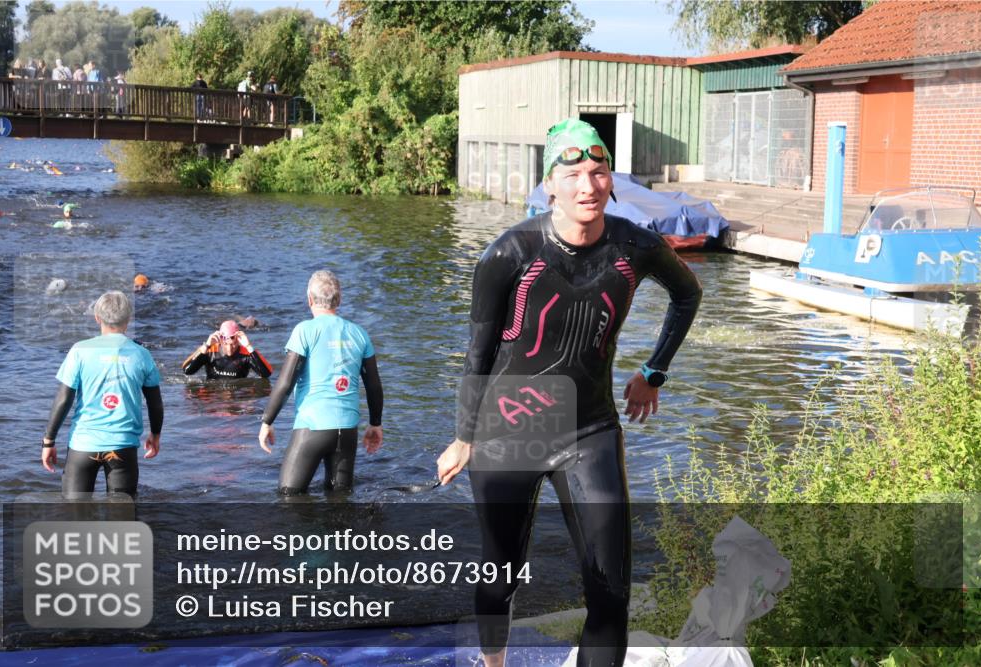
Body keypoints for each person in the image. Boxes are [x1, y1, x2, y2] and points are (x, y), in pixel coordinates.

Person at [435, 118, 702, 667]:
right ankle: (494, 663)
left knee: (611, 591)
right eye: (573, 172)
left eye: (599, 171)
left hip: (591, 430)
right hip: (508, 433)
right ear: (549, 184)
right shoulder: (510, 253)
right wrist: (464, 438)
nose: (588, 184)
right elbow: (478, 351)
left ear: (611, 179)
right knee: (500, 575)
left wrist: (654, 373)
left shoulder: (636, 246)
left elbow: (687, 294)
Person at [258, 271, 383, 495]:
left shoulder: (305, 331)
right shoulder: (359, 333)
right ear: (339, 300)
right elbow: (373, 385)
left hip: (312, 428)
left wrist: (267, 421)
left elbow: (286, 382)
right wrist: (375, 424)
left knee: (289, 497)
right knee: (340, 501)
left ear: (309, 299)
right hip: (347, 431)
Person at [42, 291, 163, 497]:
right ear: (128, 319)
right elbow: (155, 403)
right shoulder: (142, 354)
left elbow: (63, 399)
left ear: (97, 318)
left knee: (74, 518)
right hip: (123, 446)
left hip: (83, 445)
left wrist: (49, 442)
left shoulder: (79, 350)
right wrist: (155, 435)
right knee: (121, 520)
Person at [182, 320, 272, 379]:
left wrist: (248, 346)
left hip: (237, 394)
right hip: (214, 394)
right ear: (220, 341)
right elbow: (188, 371)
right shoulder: (210, 350)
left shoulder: (247, 353)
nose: (229, 349)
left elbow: (266, 374)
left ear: (238, 341)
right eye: (225, 344)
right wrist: (206, 346)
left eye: (233, 345)